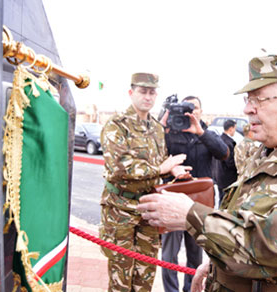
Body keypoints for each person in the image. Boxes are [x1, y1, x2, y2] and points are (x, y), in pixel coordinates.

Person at [137, 55, 277, 291]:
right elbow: (244, 217)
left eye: (259, 100)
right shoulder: (271, 151)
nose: (247, 109)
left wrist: (191, 216)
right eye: (248, 99)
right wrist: (217, 267)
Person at [99, 72, 192, 292]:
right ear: (131, 93)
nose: (148, 97)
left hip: (148, 209)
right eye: (142, 91)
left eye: (152, 92)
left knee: (145, 277)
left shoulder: (157, 129)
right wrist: (161, 168)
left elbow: (160, 162)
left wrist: (173, 169)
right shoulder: (117, 124)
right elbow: (119, 166)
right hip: (120, 210)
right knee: (121, 278)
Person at [160, 96, 229, 292]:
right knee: (169, 255)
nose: (190, 113)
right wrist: (163, 126)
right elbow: (156, 153)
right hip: (172, 199)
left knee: (195, 254)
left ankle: (191, 289)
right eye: (185, 108)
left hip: (198, 202)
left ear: (200, 111)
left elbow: (223, 153)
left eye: (194, 108)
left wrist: (201, 132)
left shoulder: (207, 133)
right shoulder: (170, 131)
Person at [213, 119, 238, 204]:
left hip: (218, 176)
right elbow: (230, 162)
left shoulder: (219, 139)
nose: (235, 131)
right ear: (231, 129)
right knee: (225, 201)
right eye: (235, 128)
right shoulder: (228, 143)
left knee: (221, 199)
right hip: (227, 178)